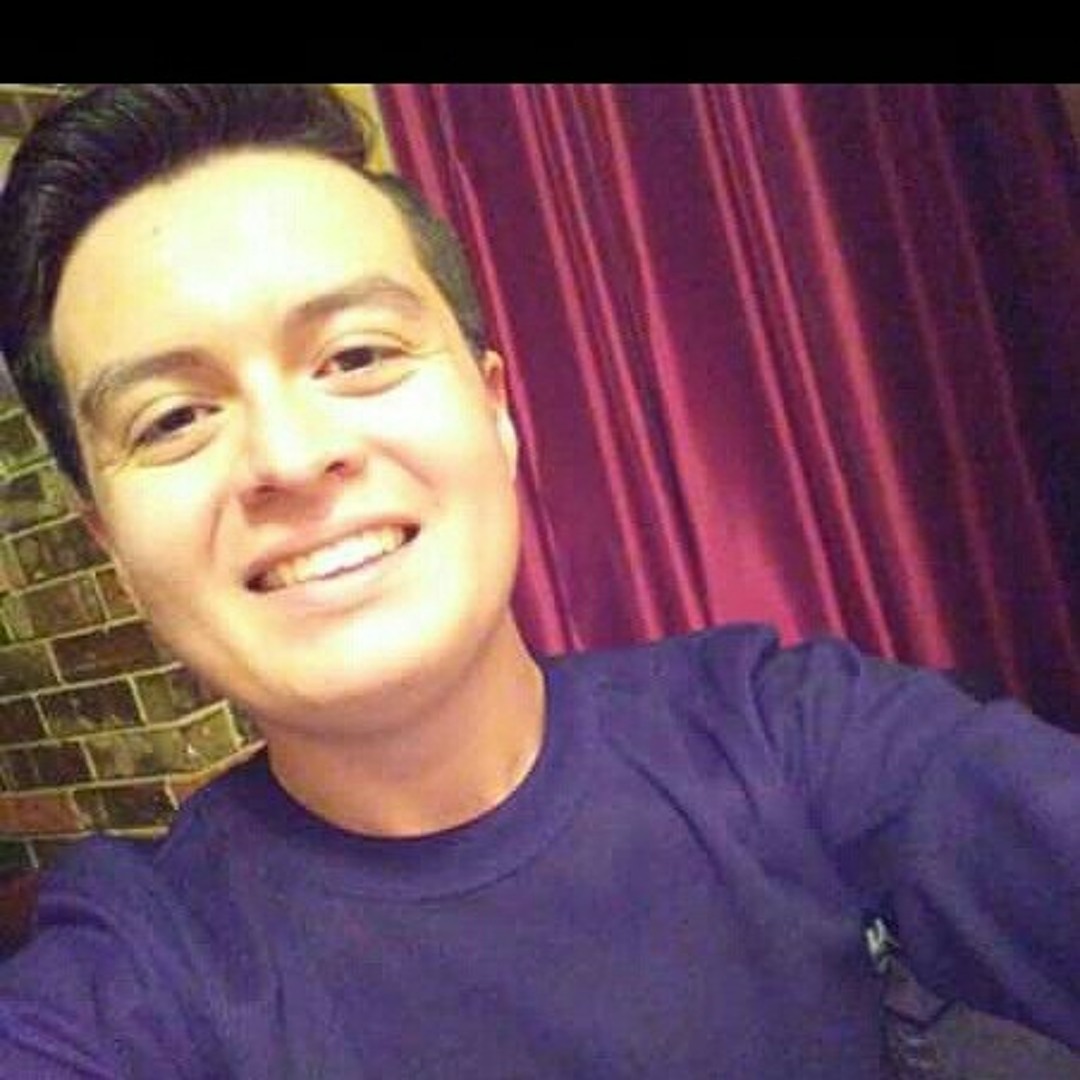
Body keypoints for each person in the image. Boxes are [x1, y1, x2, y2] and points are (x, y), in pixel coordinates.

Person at [0, 83, 1076, 1079]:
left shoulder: (780, 731)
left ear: (495, 410)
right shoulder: (136, 975)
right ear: (110, 543)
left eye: (357, 356)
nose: (289, 455)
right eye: (173, 419)